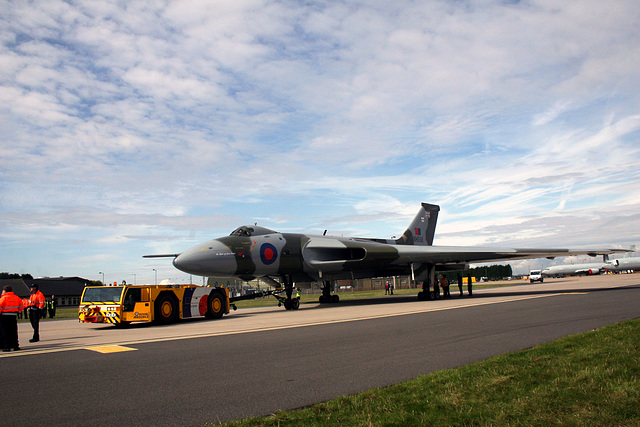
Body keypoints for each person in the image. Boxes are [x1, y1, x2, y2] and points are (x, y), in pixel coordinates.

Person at [0, 285, 24, 351]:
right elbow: (21, 307)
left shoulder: (3, 298)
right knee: (13, 332)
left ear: (4, 291)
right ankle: (15, 346)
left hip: (4, 317)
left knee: (5, 332)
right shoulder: (17, 298)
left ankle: (7, 346)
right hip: (13, 316)